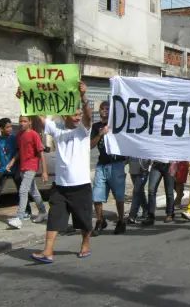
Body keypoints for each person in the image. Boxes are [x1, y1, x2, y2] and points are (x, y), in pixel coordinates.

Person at [29, 82, 93, 263]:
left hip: (81, 185)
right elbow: (40, 119)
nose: (78, 116)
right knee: (54, 217)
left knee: (84, 220)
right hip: (61, 186)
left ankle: (85, 242)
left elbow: (89, 117)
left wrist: (83, 97)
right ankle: (48, 251)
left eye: (79, 114)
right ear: (65, 114)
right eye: (75, 113)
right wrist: (27, 98)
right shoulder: (57, 128)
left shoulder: (84, 131)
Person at [0, 118, 32, 223]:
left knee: (21, 190)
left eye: (10, 127)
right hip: (3, 169)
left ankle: (28, 211)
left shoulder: (13, 139)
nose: (10, 129)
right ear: (1, 128)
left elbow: (18, 152)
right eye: (7, 127)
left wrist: (12, 162)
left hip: (15, 168)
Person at [91, 101, 127, 235]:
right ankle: (100, 220)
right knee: (96, 195)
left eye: (107, 109)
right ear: (99, 111)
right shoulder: (96, 127)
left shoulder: (117, 125)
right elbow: (90, 145)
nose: (105, 111)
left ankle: (121, 220)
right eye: (102, 109)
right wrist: (100, 134)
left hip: (116, 164)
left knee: (119, 196)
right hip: (102, 164)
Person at [7, 115, 48, 229]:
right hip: (23, 167)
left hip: (32, 166)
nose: (22, 123)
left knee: (23, 190)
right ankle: (43, 212)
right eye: (20, 121)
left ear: (30, 122)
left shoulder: (34, 134)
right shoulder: (19, 135)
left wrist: (44, 171)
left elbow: (41, 153)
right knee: (34, 191)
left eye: (25, 121)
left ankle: (19, 218)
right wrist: (12, 162)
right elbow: (19, 152)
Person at [127, 158, 150, 225]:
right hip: (133, 170)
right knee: (140, 192)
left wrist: (145, 166)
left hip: (142, 171)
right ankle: (146, 211)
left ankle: (132, 216)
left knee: (136, 192)